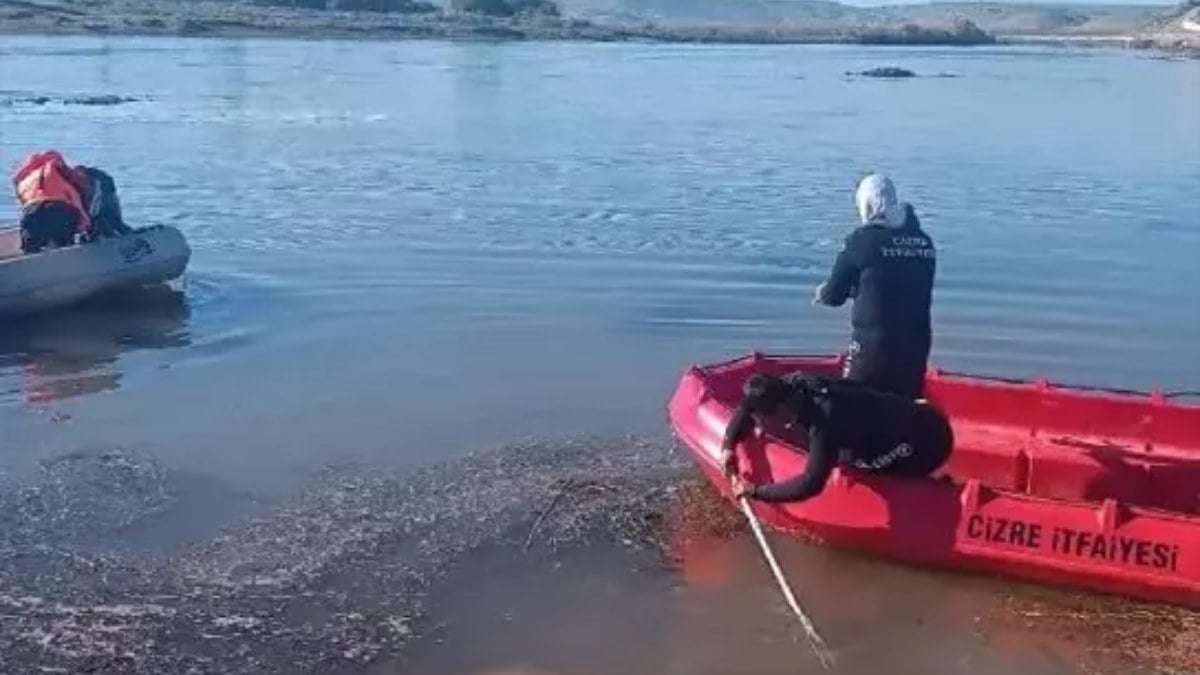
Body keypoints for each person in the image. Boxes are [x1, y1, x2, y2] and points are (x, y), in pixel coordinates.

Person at [720, 371, 953, 504]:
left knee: (850, 465)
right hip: (921, 415)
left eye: (761, 418)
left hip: (927, 445)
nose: (758, 423)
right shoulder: (795, 384)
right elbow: (747, 406)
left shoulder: (825, 423)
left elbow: (811, 484)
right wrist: (729, 444)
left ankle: (930, 490)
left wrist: (756, 492)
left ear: (780, 409)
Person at [813, 173, 936, 400]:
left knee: (853, 406)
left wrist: (822, 292)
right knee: (905, 408)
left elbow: (834, 296)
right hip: (916, 347)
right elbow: (897, 285)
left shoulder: (862, 240)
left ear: (866, 203)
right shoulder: (924, 242)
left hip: (873, 348)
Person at [12, 150, 93, 254]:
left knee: (30, 249)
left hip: (31, 215)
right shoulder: (64, 176)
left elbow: (23, 208)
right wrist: (85, 225)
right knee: (64, 248)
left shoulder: (24, 181)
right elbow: (77, 203)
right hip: (60, 212)